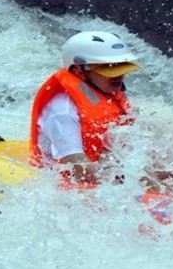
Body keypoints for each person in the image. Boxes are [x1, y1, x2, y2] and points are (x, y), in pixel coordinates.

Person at [29, 31, 141, 183]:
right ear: (78, 71)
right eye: (108, 68)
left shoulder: (106, 91)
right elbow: (78, 168)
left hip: (101, 165)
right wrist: (134, 180)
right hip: (66, 183)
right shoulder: (62, 110)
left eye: (121, 66)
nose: (118, 75)